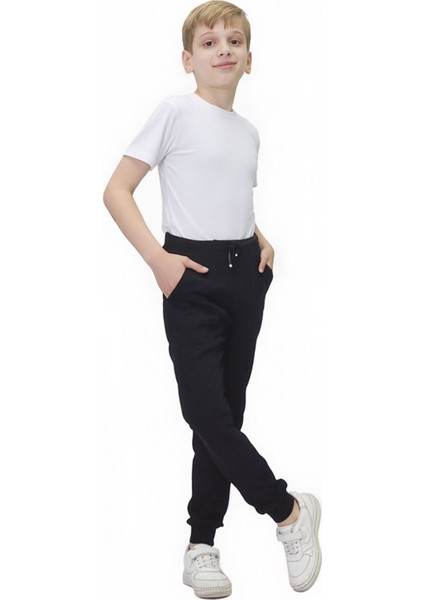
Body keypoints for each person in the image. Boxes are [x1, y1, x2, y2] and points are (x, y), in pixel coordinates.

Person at [103, 1, 321, 597]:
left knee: (223, 418)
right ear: (187, 59)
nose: (222, 48)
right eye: (208, 42)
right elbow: (117, 190)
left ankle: (201, 545)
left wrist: (260, 237)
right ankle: (289, 513)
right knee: (205, 413)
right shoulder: (174, 112)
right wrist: (159, 260)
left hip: (245, 276)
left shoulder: (249, 132)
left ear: (249, 60)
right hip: (190, 277)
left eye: (234, 41)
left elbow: (226, 196)